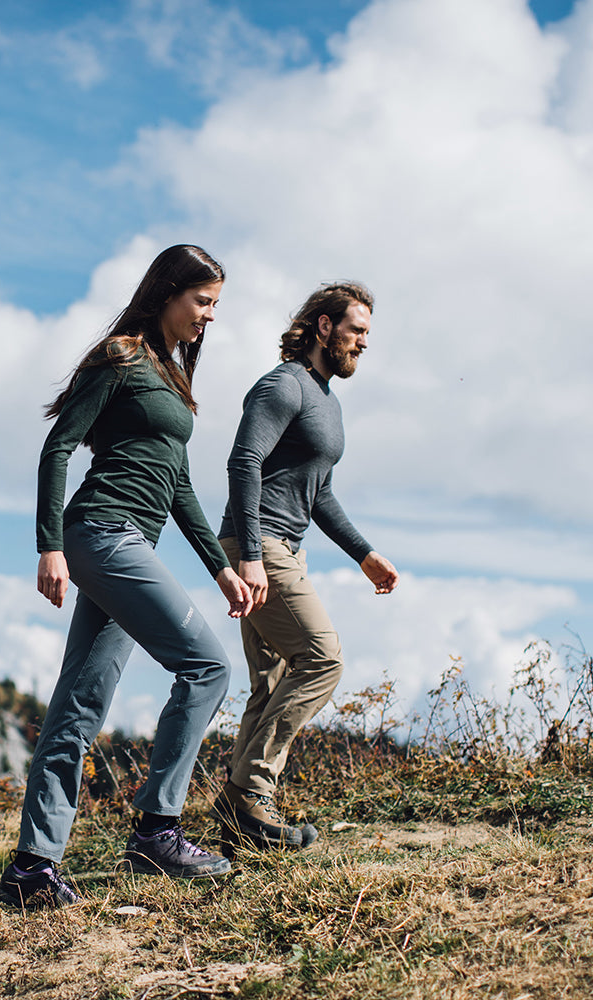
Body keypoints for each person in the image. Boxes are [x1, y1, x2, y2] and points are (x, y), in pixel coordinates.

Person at [0, 245, 253, 909]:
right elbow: (57, 449)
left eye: (215, 306)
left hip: (126, 541)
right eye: (202, 301)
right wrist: (49, 545)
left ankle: (32, 869)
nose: (209, 317)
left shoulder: (169, 374)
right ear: (168, 292)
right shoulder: (122, 357)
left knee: (77, 706)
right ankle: (157, 830)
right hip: (100, 534)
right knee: (207, 666)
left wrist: (220, 569)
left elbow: (179, 485)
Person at [210, 281, 399, 854]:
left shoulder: (327, 402)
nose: (364, 343)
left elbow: (318, 496)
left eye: (368, 333)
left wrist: (363, 553)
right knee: (321, 658)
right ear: (324, 326)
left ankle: (238, 820)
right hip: (257, 543)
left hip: (283, 545)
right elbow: (244, 461)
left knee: (269, 683)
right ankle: (251, 789)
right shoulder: (283, 386)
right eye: (357, 330)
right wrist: (248, 555)